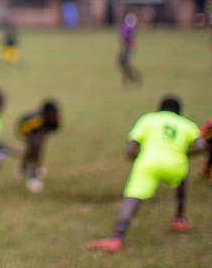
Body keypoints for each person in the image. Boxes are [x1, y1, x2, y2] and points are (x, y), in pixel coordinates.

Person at [86, 95, 204, 252]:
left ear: (159, 109)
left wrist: (136, 160)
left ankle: (116, 238)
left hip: (148, 161)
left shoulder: (148, 119)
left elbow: (130, 149)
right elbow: (202, 145)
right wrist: (184, 154)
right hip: (176, 163)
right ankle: (179, 219)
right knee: (181, 180)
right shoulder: (186, 124)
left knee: (132, 198)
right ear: (179, 112)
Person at [17, 100, 60, 193]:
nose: (55, 116)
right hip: (24, 129)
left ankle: (26, 168)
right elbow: (24, 130)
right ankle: (33, 174)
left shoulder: (55, 120)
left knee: (38, 147)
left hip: (37, 132)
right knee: (34, 147)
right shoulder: (35, 121)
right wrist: (34, 139)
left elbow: (53, 129)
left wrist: (42, 135)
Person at [117, 13, 141, 85]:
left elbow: (124, 38)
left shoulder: (125, 27)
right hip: (126, 48)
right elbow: (128, 39)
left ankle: (129, 79)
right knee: (125, 64)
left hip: (126, 49)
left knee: (126, 64)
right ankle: (130, 78)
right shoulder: (128, 28)